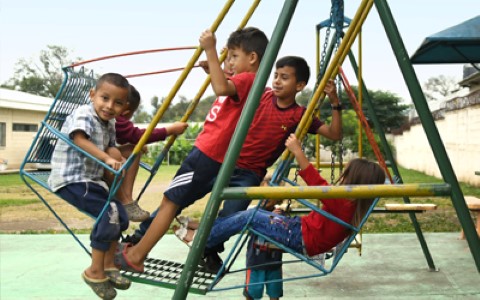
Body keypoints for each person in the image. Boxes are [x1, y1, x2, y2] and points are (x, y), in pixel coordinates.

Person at [123, 56, 343, 272]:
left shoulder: (300, 116)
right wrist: (213, 69)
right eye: (275, 75)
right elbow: (231, 85)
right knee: (175, 202)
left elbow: (334, 134)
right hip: (223, 161)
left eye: (284, 77)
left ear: (300, 85)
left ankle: (206, 246)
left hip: (249, 173)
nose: (276, 81)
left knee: (232, 217)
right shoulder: (261, 95)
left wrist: (334, 103)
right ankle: (138, 238)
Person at [113, 27, 270, 273]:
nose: (228, 62)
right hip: (210, 155)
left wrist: (210, 49)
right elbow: (224, 89)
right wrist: (214, 68)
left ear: (252, 58)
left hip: (207, 154)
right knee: (171, 204)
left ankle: (136, 255)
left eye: (234, 57)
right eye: (226, 58)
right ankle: (137, 250)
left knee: (169, 204)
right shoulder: (245, 81)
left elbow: (221, 88)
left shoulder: (248, 79)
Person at [180, 134, 386, 267]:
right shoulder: (351, 204)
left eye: (347, 176)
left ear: (354, 181)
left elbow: (317, 183)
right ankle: (205, 228)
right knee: (255, 212)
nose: (343, 179)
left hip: (300, 237)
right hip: (299, 230)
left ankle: (202, 240)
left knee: (251, 216)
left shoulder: (344, 202)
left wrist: (298, 152)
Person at [48, 73, 132, 299]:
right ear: (92, 95)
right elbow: (80, 140)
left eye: (117, 103)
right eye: (105, 98)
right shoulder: (84, 113)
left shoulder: (110, 122)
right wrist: (106, 159)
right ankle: (94, 272)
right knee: (108, 215)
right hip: (72, 178)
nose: (109, 106)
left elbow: (111, 147)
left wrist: (119, 156)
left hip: (92, 180)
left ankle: (108, 265)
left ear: (124, 107)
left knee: (120, 215)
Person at [114, 84, 188, 222]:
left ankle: (126, 201)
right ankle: (126, 201)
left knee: (132, 150)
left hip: (102, 154)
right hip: (98, 158)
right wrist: (170, 129)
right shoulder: (116, 118)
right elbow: (137, 135)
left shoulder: (109, 115)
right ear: (125, 111)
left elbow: (125, 136)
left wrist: (135, 143)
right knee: (131, 151)